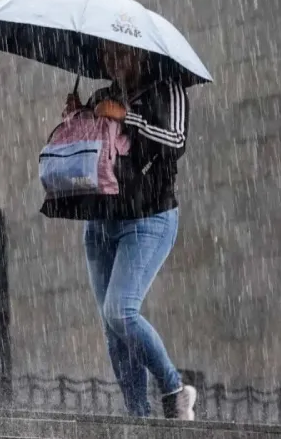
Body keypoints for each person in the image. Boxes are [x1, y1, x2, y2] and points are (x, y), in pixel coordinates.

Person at [43, 41, 197, 419]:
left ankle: (174, 389)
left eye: (122, 53)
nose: (114, 62)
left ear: (141, 54)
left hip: (150, 219)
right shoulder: (102, 94)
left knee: (121, 311)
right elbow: (95, 154)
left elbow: (175, 141)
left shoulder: (168, 88)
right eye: (108, 55)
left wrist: (128, 117)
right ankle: (137, 417)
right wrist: (78, 117)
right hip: (101, 222)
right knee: (113, 329)